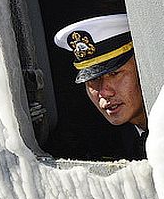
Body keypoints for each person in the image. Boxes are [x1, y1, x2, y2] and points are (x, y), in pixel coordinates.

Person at [53, 13, 148, 159]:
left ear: (141, 69)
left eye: (115, 74)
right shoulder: (100, 141)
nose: (104, 92)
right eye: (93, 79)